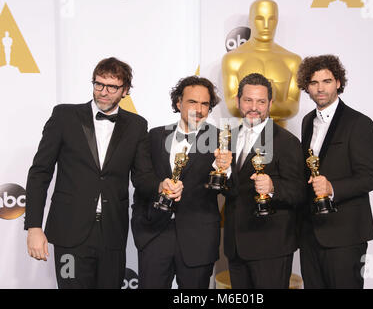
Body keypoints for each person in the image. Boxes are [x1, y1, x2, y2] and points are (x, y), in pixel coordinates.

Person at [24, 57, 182, 289]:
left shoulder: (136, 126)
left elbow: (142, 176)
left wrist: (161, 185)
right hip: (70, 233)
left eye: (112, 87)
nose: (103, 92)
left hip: (112, 234)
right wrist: (34, 227)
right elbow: (40, 173)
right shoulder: (64, 117)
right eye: (98, 84)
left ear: (125, 90)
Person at [131, 75, 230, 289]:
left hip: (199, 239)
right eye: (192, 102)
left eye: (205, 103)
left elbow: (231, 187)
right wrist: (160, 186)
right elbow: (141, 178)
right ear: (178, 103)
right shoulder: (155, 136)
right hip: (155, 234)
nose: (199, 109)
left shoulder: (220, 138)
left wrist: (226, 168)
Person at [297, 54, 373, 289]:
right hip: (311, 233)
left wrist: (332, 187)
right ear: (307, 87)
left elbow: (370, 177)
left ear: (338, 83)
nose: (320, 88)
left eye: (327, 81)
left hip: (345, 235)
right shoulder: (306, 121)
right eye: (313, 83)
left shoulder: (359, 123)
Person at [222, 73, 306, 289]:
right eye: (248, 100)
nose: (254, 107)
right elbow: (233, 189)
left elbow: (299, 192)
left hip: (271, 248)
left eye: (261, 101)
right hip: (236, 246)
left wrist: (272, 188)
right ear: (238, 101)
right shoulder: (228, 138)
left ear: (270, 103)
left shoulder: (286, 142)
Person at [222, 0, 302, 125]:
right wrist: (273, 103)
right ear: (251, 20)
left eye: (272, 19)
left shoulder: (292, 60)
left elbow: (292, 108)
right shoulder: (233, 59)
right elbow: (232, 107)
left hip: (282, 139)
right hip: (244, 138)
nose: (266, 25)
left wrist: (249, 103)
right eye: (260, 19)